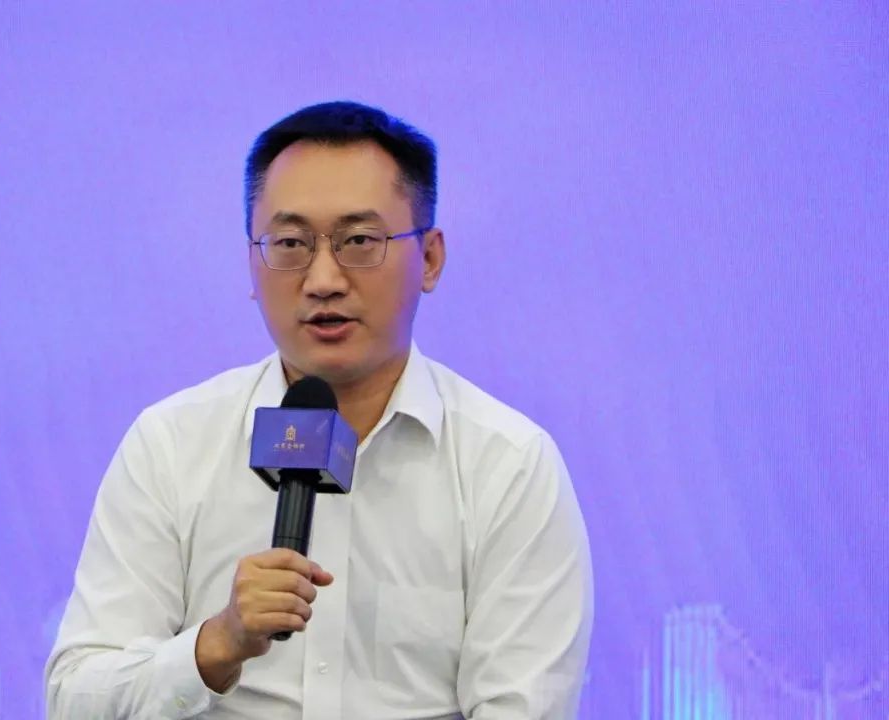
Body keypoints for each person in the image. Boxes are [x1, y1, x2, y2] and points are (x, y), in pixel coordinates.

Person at [45, 100, 593, 719]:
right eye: (290, 243)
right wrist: (215, 645)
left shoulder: (508, 464)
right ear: (252, 262)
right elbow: (74, 699)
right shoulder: (171, 445)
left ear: (430, 258)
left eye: (359, 241)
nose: (324, 279)